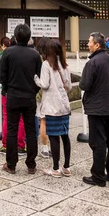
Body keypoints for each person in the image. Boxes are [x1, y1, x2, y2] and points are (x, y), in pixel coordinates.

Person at [79, 31, 109, 187]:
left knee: (98, 143)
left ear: (97, 45)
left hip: (96, 108)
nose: (88, 44)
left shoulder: (93, 63)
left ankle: (98, 176)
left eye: (90, 42)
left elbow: (84, 85)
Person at [0, 23, 42, 174]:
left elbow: (3, 75)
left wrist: (7, 89)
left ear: (16, 37)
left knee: (12, 129)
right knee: (31, 130)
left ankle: (11, 164)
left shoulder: (8, 53)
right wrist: (33, 90)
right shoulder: (35, 55)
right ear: (29, 37)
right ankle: (31, 164)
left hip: (13, 95)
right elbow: (38, 77)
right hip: (29, 96)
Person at [34, 39, 72, 177]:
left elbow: (44, 84)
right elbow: (69, 86)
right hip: (64, 106)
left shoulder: (46, 64)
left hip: (51, 106)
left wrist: (35, 78)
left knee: (54, 137)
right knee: (65, 136)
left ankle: (55, 168)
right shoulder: (64, 65)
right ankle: (66, 167)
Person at [0, 37, 26, 155]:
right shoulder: (26, 55)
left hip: (6, 91)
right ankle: (20, 145)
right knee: (21, 118)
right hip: (22, 92)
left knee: (7, 117)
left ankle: (5, 144)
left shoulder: (4, 55)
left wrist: (2, 84)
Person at [36, 37, 51, 158]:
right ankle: (50, 145)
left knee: (43, 121)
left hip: (40, 94)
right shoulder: (54, 60)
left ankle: (45, 148)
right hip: (52, 95)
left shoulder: (39, 60)